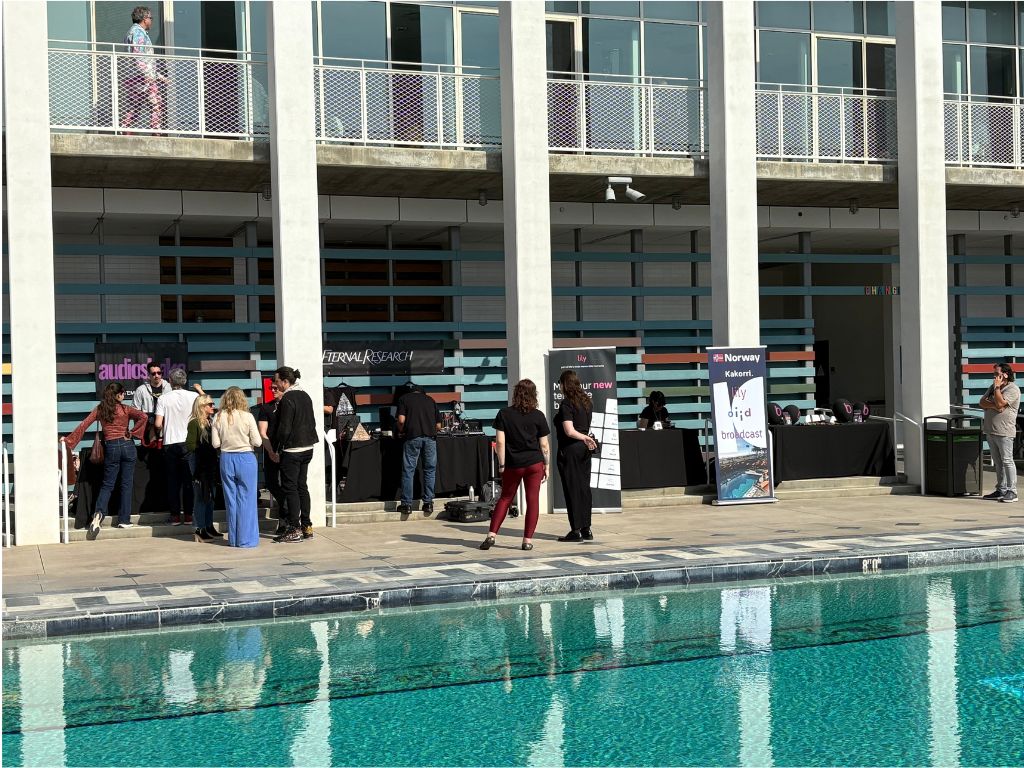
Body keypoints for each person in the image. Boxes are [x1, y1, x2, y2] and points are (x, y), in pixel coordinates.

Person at [62, 382, 148, 538]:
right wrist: (133, 433)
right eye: (122, 393)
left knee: (107, 484)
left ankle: (98, 515)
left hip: (111, 447)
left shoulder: (100, 409)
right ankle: (124, 519)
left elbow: (84, 424)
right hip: (128, 447)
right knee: (126, 484)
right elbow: (144, 416)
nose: (124, 396)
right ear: (118, 395)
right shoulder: (125, 409)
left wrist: (69, 441)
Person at [479, 379, 550, 552]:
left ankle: (492, 535)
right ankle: (527, 541)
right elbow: (544, 445)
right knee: (532, 501)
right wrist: (546, 465)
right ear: (534, 395)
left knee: (505, 498)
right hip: (534, 463)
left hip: (513, 464)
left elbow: (500, 443)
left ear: (515, 394)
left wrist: (502, 465)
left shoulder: (504, 414)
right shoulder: (538, 415)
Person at [269, 367, 318, 543]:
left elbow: (284, 428)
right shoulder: (305, 395)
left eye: (276, 381)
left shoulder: (288, 398)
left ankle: (294, 528)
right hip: (308, 447)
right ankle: (307, 526)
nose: (275, 384)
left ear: (285, 381)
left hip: (292, 449)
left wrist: (277, 447)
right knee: (301, 486)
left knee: (291, 488)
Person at [211, 387, 262, 547]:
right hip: (246, 457)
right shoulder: (247, 416)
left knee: (231, 500)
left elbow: (215, 443)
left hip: (226, 458)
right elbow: (257, 442)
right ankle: (246, 539)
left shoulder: (218, 416)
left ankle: (234, 539)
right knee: (247, 499)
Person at [554, 369, 597, 542]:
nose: (559, 387)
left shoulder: (566, 404)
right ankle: (587, 529)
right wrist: (586, 438)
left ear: (565, 384)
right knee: (584, 488)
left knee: (572, 489)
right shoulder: (587, 402)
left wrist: (584, 437)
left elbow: (569, 430)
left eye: (560, 383)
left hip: (571, 449)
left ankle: (576, 530)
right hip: (584, 450)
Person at [155, 368, 199, 525]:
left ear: (171, 382)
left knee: (173, 481)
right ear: (185, 381)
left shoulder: (163, 399)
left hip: (171, 443)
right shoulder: (194, 397)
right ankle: (188, 515)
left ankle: (175, 516)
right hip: (189, 442)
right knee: (189, 480)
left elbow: (158, 424)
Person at [396, 384, 441, 515]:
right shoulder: (431, 400)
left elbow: (401, 419)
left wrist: (400, 430)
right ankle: (428, 504)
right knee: (430, 470)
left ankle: (407, 505)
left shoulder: (404, 399)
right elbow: (438, 425)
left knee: (408, 470)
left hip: (412, 437)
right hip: (430, 439)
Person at [980, 362, 1021, 503]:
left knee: (1007, 460)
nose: (995, 377)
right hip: (991, 430)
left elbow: (1001, 403)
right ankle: (1001, 489)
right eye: (994, 374)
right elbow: (982, 402)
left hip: (1005, 431)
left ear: (1006, 374)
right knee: (998, 462)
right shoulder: (993, 387)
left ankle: (1012, 491)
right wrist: (994, 405)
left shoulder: (1013, 389)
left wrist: (997, 389)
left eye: (997, 374)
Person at [120, 6, 166, 132]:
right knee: (156, 103)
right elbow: (139, 56)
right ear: (145, 19)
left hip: (134, 76)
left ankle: (125, 130)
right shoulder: (138, 33)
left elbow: (140, 58)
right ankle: (155, 132)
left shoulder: (133, 32)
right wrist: (151, 76)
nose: (151, 21)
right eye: (151, 18)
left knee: (135, 106)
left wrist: (160, 76)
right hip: (142, 77)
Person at [186, 394, 223, 542]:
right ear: (202, 407)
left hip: (210, 461)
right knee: (201, 496)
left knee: (211, 495)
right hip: (199, 461)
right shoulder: (194, 423)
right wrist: (203, 449)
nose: (212, 406)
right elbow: (189, 444)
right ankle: (199, 528)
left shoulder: (210, 421)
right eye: (209, 404)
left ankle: (208, 525)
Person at [257, 383, 287, 535]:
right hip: (271, 450)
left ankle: (284, 521)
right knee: (270, 482)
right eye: (272, 388)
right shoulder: (266, 408)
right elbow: (263, 432)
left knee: (290, 485)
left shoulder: (289, 406)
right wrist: (270, 451)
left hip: (288, 450)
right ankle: (285, 504)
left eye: (276, 388)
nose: (273, 390)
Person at [132, 361, 166, 446]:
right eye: (153, 373)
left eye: (159, 373)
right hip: (148, 429)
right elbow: (135, 410)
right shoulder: (141, 390)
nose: (156, 376)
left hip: (166, 428)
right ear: (149, 375)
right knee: (149, 454)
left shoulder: (168, 387)